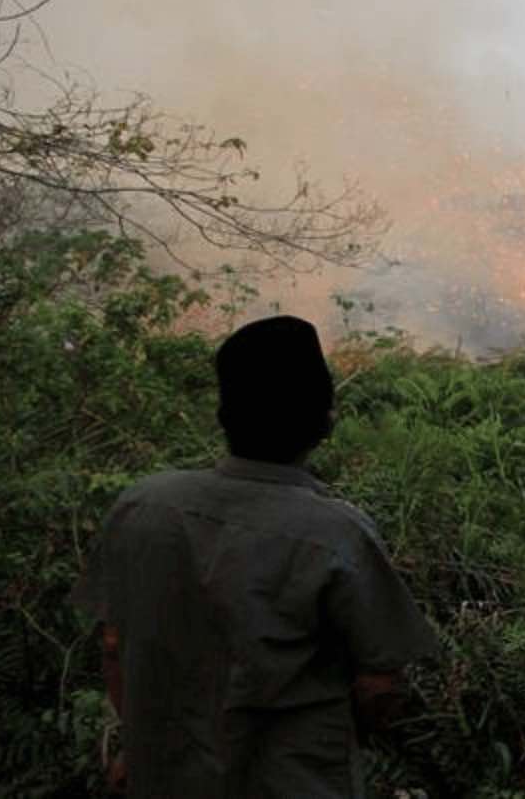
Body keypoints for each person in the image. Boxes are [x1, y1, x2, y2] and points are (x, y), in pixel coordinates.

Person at [72, 315, 438, 798]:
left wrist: (138, 747)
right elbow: (381, 686)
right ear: (323, 421)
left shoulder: (142, 507)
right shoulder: (336, 535)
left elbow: (114, 645)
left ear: (225, 415)